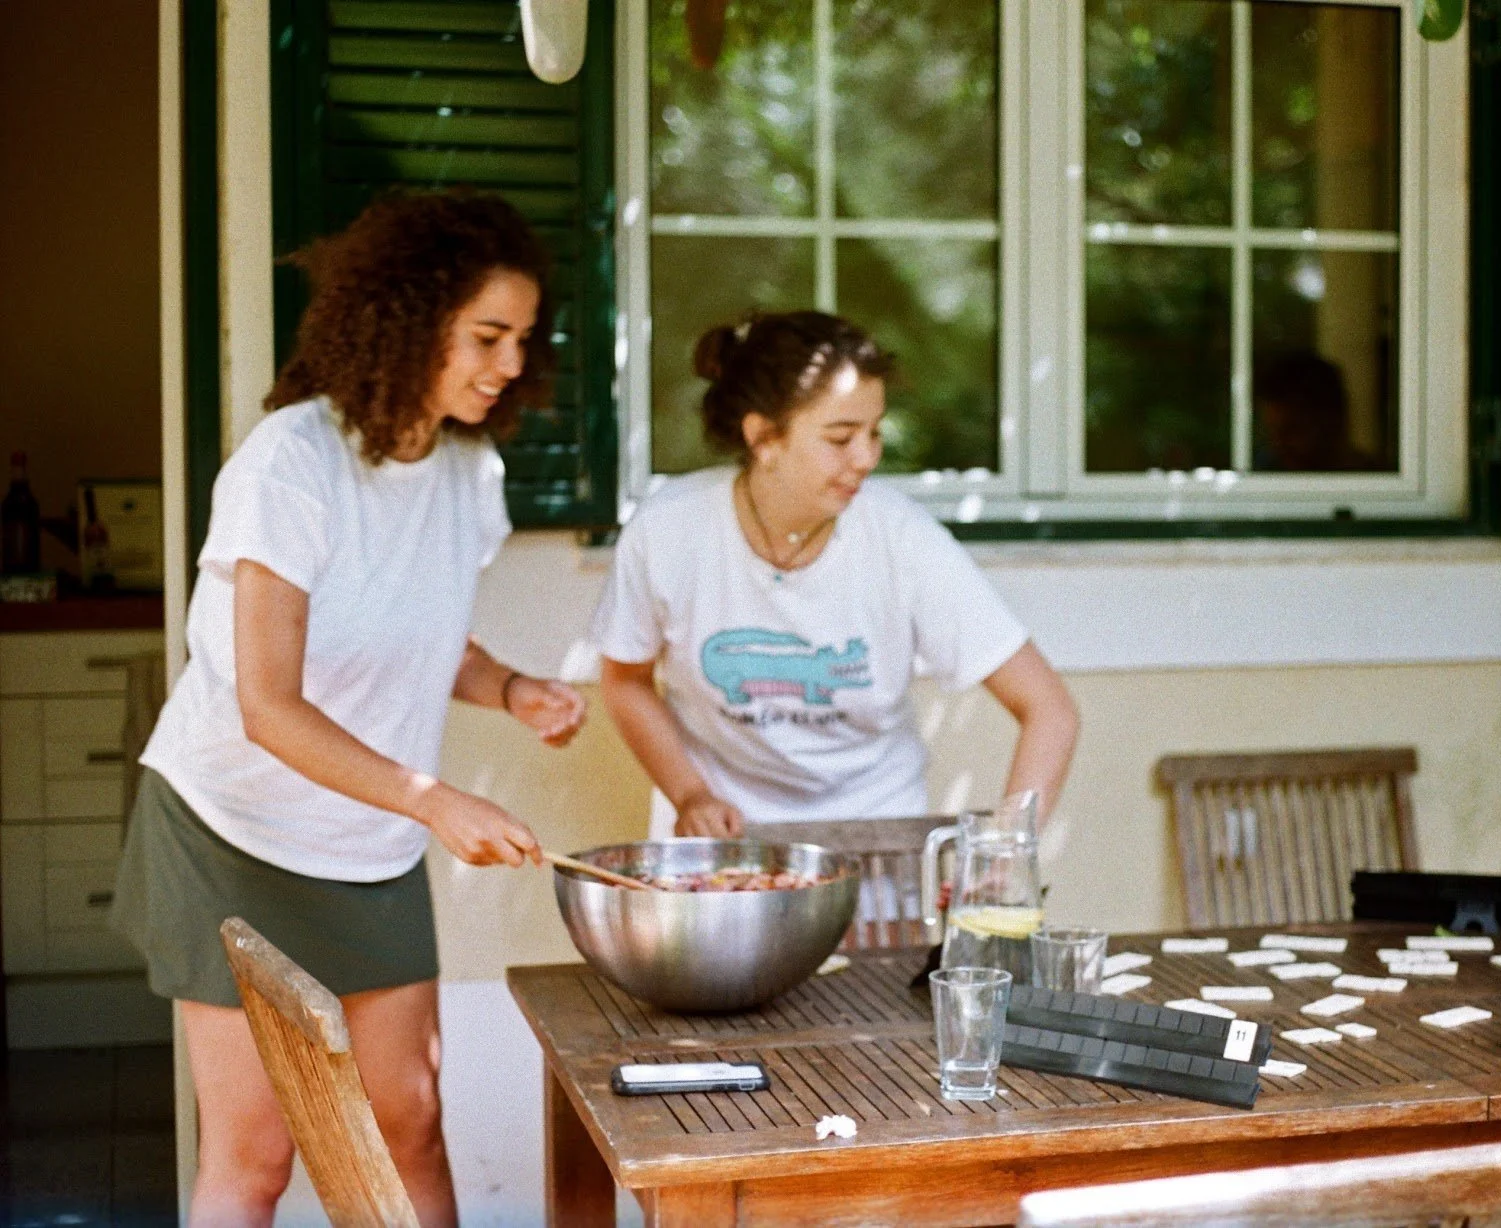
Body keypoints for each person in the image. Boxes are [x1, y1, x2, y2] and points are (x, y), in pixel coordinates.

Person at [109, 190, 587, 1226]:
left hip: (367, 842)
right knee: (257, 1156)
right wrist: (435, 801)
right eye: (488, 337)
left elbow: (418, 631)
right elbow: (268, 705)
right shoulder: (291, 462)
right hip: (229, 833)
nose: (511, 363)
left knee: (407, 1120)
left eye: (522, 339)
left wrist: (510, 689)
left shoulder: (468, 468)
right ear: (411, 318)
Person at [594, 310, 1079, 842]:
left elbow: (1049, 709)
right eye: (841, 437)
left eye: (874, 433)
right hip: (720, 844)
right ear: (763, 437)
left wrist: (1007, 852)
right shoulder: (667, 530)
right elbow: (625, 682)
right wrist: (689, 794)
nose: (867, 458)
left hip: (877, 840)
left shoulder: (902, 537)